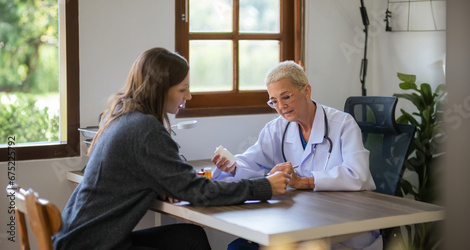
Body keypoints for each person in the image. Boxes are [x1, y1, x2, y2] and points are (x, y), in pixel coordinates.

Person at [52, 47, 289, 250]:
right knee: (191, 242)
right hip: (93, 245)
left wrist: (160, 186)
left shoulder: (121, 115)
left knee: (189, 238)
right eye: (182, 89)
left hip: (79, 238)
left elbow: (132, 174)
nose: (189, 95)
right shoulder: (145, 129)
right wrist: (264, 186)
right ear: (159, 88)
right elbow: (199, 192)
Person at [212, 61, 382, 249]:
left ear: (306, 92)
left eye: (286, 97)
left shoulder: (342, 125)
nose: (281, 106)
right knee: (238, 247)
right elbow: (253, 159)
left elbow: (357, 175)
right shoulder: (277, 128)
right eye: (274, 101)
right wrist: (232, 165)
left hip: (343, 227)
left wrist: (304, 182)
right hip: (299, 219)